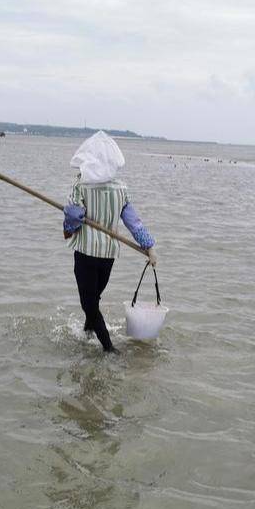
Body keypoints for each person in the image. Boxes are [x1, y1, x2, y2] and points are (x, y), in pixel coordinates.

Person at [63, 131, 157, 353]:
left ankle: (109, 349)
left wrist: (68, 231)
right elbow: (134, 223)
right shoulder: (120, 189)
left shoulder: (81, 186)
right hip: (108, 257)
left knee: (89, 303)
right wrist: (149, 247)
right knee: (93, 299)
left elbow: (73, 219)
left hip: (86, 253)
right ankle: (87, 333)